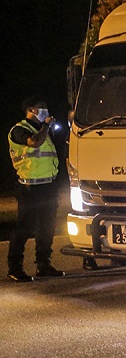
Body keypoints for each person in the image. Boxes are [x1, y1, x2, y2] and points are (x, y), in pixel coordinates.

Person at [7, 96, 65, 282]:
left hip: (48, 186)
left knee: (47, 228)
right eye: (41, 108)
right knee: (24, 229)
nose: (45, 111)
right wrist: (46, 126)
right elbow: (33, 142)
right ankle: (15, 268)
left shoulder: (43, 130)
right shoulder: (19, 130)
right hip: (29, 187)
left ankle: (43, 264)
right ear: (30, 110)